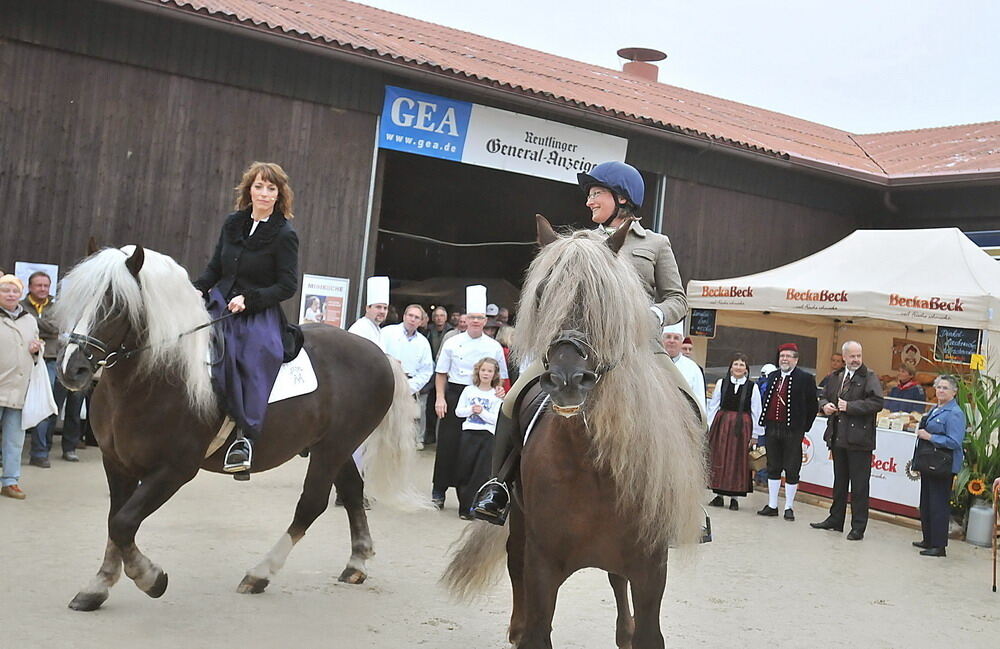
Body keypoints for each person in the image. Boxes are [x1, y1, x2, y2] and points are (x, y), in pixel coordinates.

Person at [473, 160, 697, 524]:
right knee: (513, 400)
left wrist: (654, 315)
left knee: (690, 407)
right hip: (583, 348)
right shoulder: (579, 245)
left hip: (640, 349)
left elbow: (677, 298)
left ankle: (684, 503)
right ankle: (498, 485)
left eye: (596, 194)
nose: (589, 202)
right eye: (589, 195)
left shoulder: (655, 244)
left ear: (622, 198)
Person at [193, 161, 299, 476]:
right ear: (249, 189)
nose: (264, 193)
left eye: (271, 188)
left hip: (256, 312)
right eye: (259, 186)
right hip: (220, 302)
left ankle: (245, 438)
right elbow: (215, 268)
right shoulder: (232, 223)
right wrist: (196, 289)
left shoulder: (284, 234)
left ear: (279, 194)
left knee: (253, 356)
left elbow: (287, 285)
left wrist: (249, 299)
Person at [433, 286, 508, 510]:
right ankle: (439, 490)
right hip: (455, 395)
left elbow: (502, 377)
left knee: (475, 449)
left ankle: (470, 494)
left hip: (483, 396)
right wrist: (440, 398)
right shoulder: (452, 342)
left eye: (480, 318)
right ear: (465, 319)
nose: (476, 321)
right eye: (473, 317)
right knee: (448, 445)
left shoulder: (493, 346)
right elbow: (441, 373)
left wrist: (500, 391)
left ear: (486, 320)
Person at [811, 341, 884, 540]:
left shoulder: (869, 376)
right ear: (844, 357)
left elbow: (877, 402)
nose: (856, 360)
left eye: (858, 355)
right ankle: (835, 519)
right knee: (839, 482)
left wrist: (850, 407)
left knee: (859, 486)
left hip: (860, 440)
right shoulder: (836, 377)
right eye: (852, 356)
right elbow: (823, 396)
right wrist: (825, 406)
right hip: (838, 437)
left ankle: (858, 527)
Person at [22, 271, 84, 466]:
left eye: (46, 286)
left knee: (49, 407)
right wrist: (43, 327)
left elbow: (55, 327)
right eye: (38, 285)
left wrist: (29, 322)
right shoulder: (21, 306)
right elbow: (47, 328)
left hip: (52, 360)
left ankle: (42, 451)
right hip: (25, 360)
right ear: (30, 287)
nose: (42, 289)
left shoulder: (58, 307)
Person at [757, 343, 818, 521]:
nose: (784, 359)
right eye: (782, 356)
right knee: (773, 466)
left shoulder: (805, 378)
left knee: (792, 468)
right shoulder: (774, 376)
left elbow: (812, 405)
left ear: (796, 359)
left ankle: (789, 507)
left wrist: (803, 427)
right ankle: (772, 504)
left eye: (788, 356)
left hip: (793, 430)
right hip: (772, 427)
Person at [913, 375, 966, 557]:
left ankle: (938, 545)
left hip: (943, 465)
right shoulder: (936, 408)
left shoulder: (955, 413)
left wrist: (930, 437)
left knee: (938, 504)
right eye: (939, 387)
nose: (941, 391)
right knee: (926, 502)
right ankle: (928, 538)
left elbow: (955, 441)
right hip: (929, 462)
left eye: (945, 388)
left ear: (954, 392)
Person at [1, 274, 42, 499]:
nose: (10, 295)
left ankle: (10, 481)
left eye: (14, 291)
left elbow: (36, 350)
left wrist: (37, 350)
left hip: (19, 389)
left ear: (20, 294)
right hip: (1, 384)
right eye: (5, 290)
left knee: (14, 439)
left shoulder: (29, 319)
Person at [706, 353, 762, 510]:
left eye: (742, 365)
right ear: (730, 368)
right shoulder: (722, 383)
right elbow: (714, 405)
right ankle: (718, 494)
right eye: (736, 364)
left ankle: (734, 498)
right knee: (720, 457)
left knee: (737, 460)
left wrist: (755, 434)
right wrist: (710, 426)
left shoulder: (752, 387)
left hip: (741, 426)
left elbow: (756, 410)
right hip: (722, 425)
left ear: (746, 369)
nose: (738, 367)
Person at [454, 357, 503, 520]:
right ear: (478, 371)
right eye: (483, 370)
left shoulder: (496, 395)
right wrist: (471, 410)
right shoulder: (469, 390)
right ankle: (463, 504)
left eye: (490, 371)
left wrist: (481, 412)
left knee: (481, 472)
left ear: (495, 374)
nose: (486, 373)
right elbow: (459, 412)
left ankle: (472, 507)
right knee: (464, 469)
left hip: (487, 436)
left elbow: (496, 419)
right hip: (469, 433)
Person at [382, 304, 434, 449]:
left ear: (421, 321)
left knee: (402, 428)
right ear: (404, 316)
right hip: (386, 383)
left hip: (408, 389)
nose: (412, 319)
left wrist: (410, 387)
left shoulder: (423, 342)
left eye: (416, 317)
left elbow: (426, 370)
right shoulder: (387, 333)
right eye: (410, 315)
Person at [662, 322, 706, 417]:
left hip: (683, 421)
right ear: (662, 340)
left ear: (681, 342)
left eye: (676, 338)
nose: (672, 341)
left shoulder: (693, 368)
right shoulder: (653, 363)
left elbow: (700, 399)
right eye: (668, 337)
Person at [422, 306, 453, 445]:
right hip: (430, 372)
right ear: (433, 318)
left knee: (443, 404)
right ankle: (429, 434)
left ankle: (439, 436)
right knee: (429, 406)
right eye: (437, 316)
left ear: (446, 317)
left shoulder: (451, 332)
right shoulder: (427, 331)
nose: (439, 318)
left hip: (445, 373)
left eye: (442, 315)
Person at [347, 277, 389, 351]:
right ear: (367, 308)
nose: (382, 311)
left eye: (385, 308)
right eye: (378, 307)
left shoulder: (378, 329)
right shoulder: (360, 328)